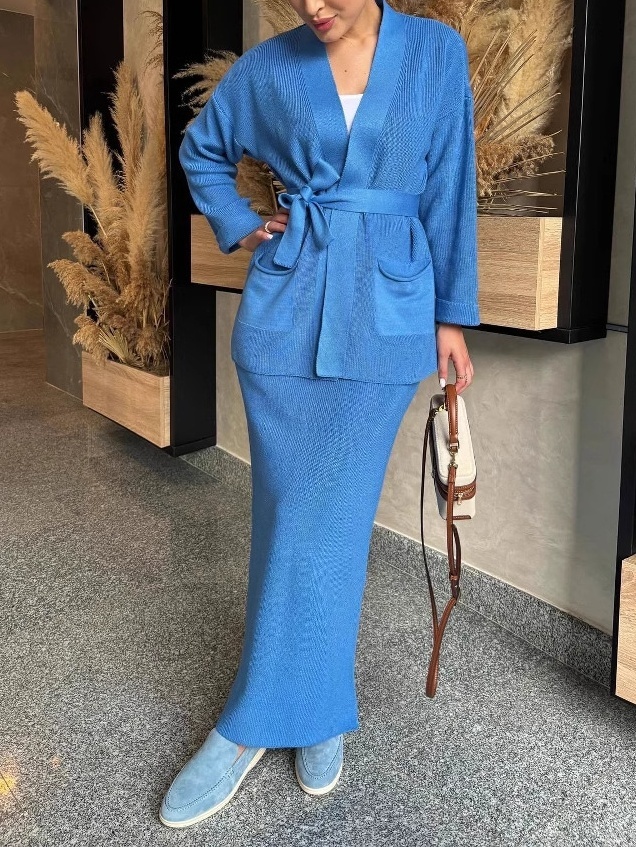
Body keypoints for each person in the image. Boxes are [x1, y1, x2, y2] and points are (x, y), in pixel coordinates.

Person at [160, 0, 479, 828]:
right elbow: (201, 150)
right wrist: (241, 226)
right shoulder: (270, 67)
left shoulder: (436, 54)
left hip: (384, 320)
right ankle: (311, 711)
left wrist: (451, 317)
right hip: (287, 312)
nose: (312, 4)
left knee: (328, 517)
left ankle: (254, 721)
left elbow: (450, 187)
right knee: (290, 511)